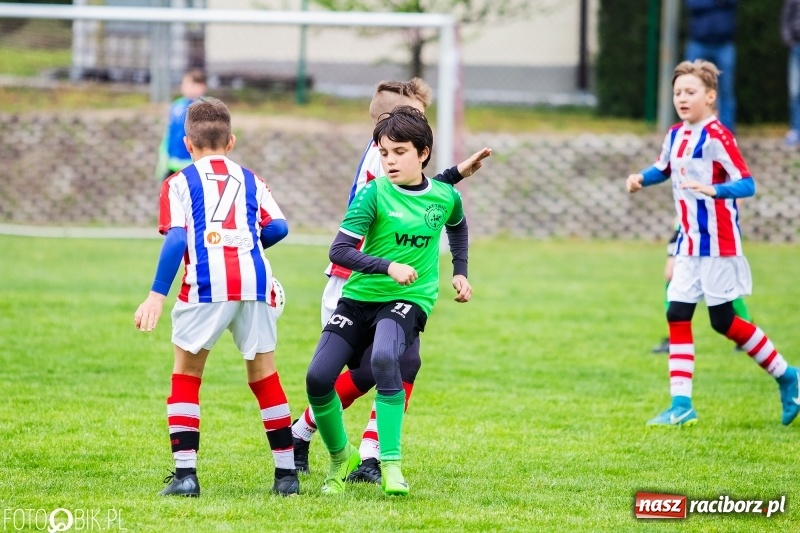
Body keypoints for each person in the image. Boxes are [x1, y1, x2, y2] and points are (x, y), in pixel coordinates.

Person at [290, 78, 491, 484]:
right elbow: (405, 191)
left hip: (397, 287)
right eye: (413, 116)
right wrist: (451, 177)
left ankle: (368, 454)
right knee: (372, 369)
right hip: (357, 279)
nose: (417, 125)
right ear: (386, 122)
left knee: (399, 362)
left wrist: (454, 176)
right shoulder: (379, 162)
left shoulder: (395, 155)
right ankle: (311, 434)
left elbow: (422, 191)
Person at [134, 97, 299, 496]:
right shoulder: (252, 179)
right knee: (264, 376)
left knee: (187, 374)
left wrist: (157, 295)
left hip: (208, 284)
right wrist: (243, 245)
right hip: (255, 282)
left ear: (188, 144)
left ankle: (186, 476)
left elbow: (176, 238)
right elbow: (278, 227)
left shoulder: (178, 182)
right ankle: (286, 477)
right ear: (231, 141)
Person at [626, 60, 800, 427]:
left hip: (718, 244)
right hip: (688, 242)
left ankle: (787, 375)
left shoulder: (718, 136)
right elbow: (664, 167)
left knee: (724, 322)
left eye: (690, 92)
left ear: (710, 96)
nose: (682, 99)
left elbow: (747, 183)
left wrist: (714, 189)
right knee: (677, 313)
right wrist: (642, 177)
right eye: (677, 93)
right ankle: (681, 405)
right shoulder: (675, 134)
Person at [651, 215, 754, 354]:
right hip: (690, 233)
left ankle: (748, 331)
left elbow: (742, 193)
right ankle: (674, 339)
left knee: (723, 304)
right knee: (674, 290)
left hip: (711, 237)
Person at [685, 0, 737, 132]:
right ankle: (691, 127)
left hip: (724, 44)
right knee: (691, 86)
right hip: (698, 42)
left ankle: (726, 131)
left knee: (726, 89)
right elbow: (693, 4)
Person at [155, 68, 207, 180]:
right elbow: (169, 131)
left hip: (192, 164)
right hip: (172, 162)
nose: (185, 87)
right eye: (184, 84)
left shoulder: (206, 108)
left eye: (190, 84)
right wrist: (163, 155)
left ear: (201, 87)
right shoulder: (176, 105)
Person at [781, 0, 800, 147]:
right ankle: (796, 130)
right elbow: (785, 19)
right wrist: (790, 42)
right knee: (795, 91)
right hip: (796, 47)